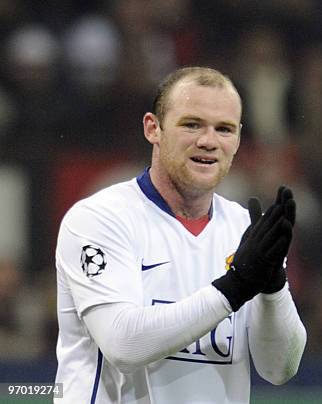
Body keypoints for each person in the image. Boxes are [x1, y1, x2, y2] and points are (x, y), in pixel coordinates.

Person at [54, 66, 307, 403]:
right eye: (192, 124)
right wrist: (236, 286)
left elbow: (279, 370)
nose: (208, 141)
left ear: (238, 140)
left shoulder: (245, 229)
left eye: (224, 129)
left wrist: (273, 285)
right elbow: (123, 345)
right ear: (153, 128)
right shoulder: (100, 219)